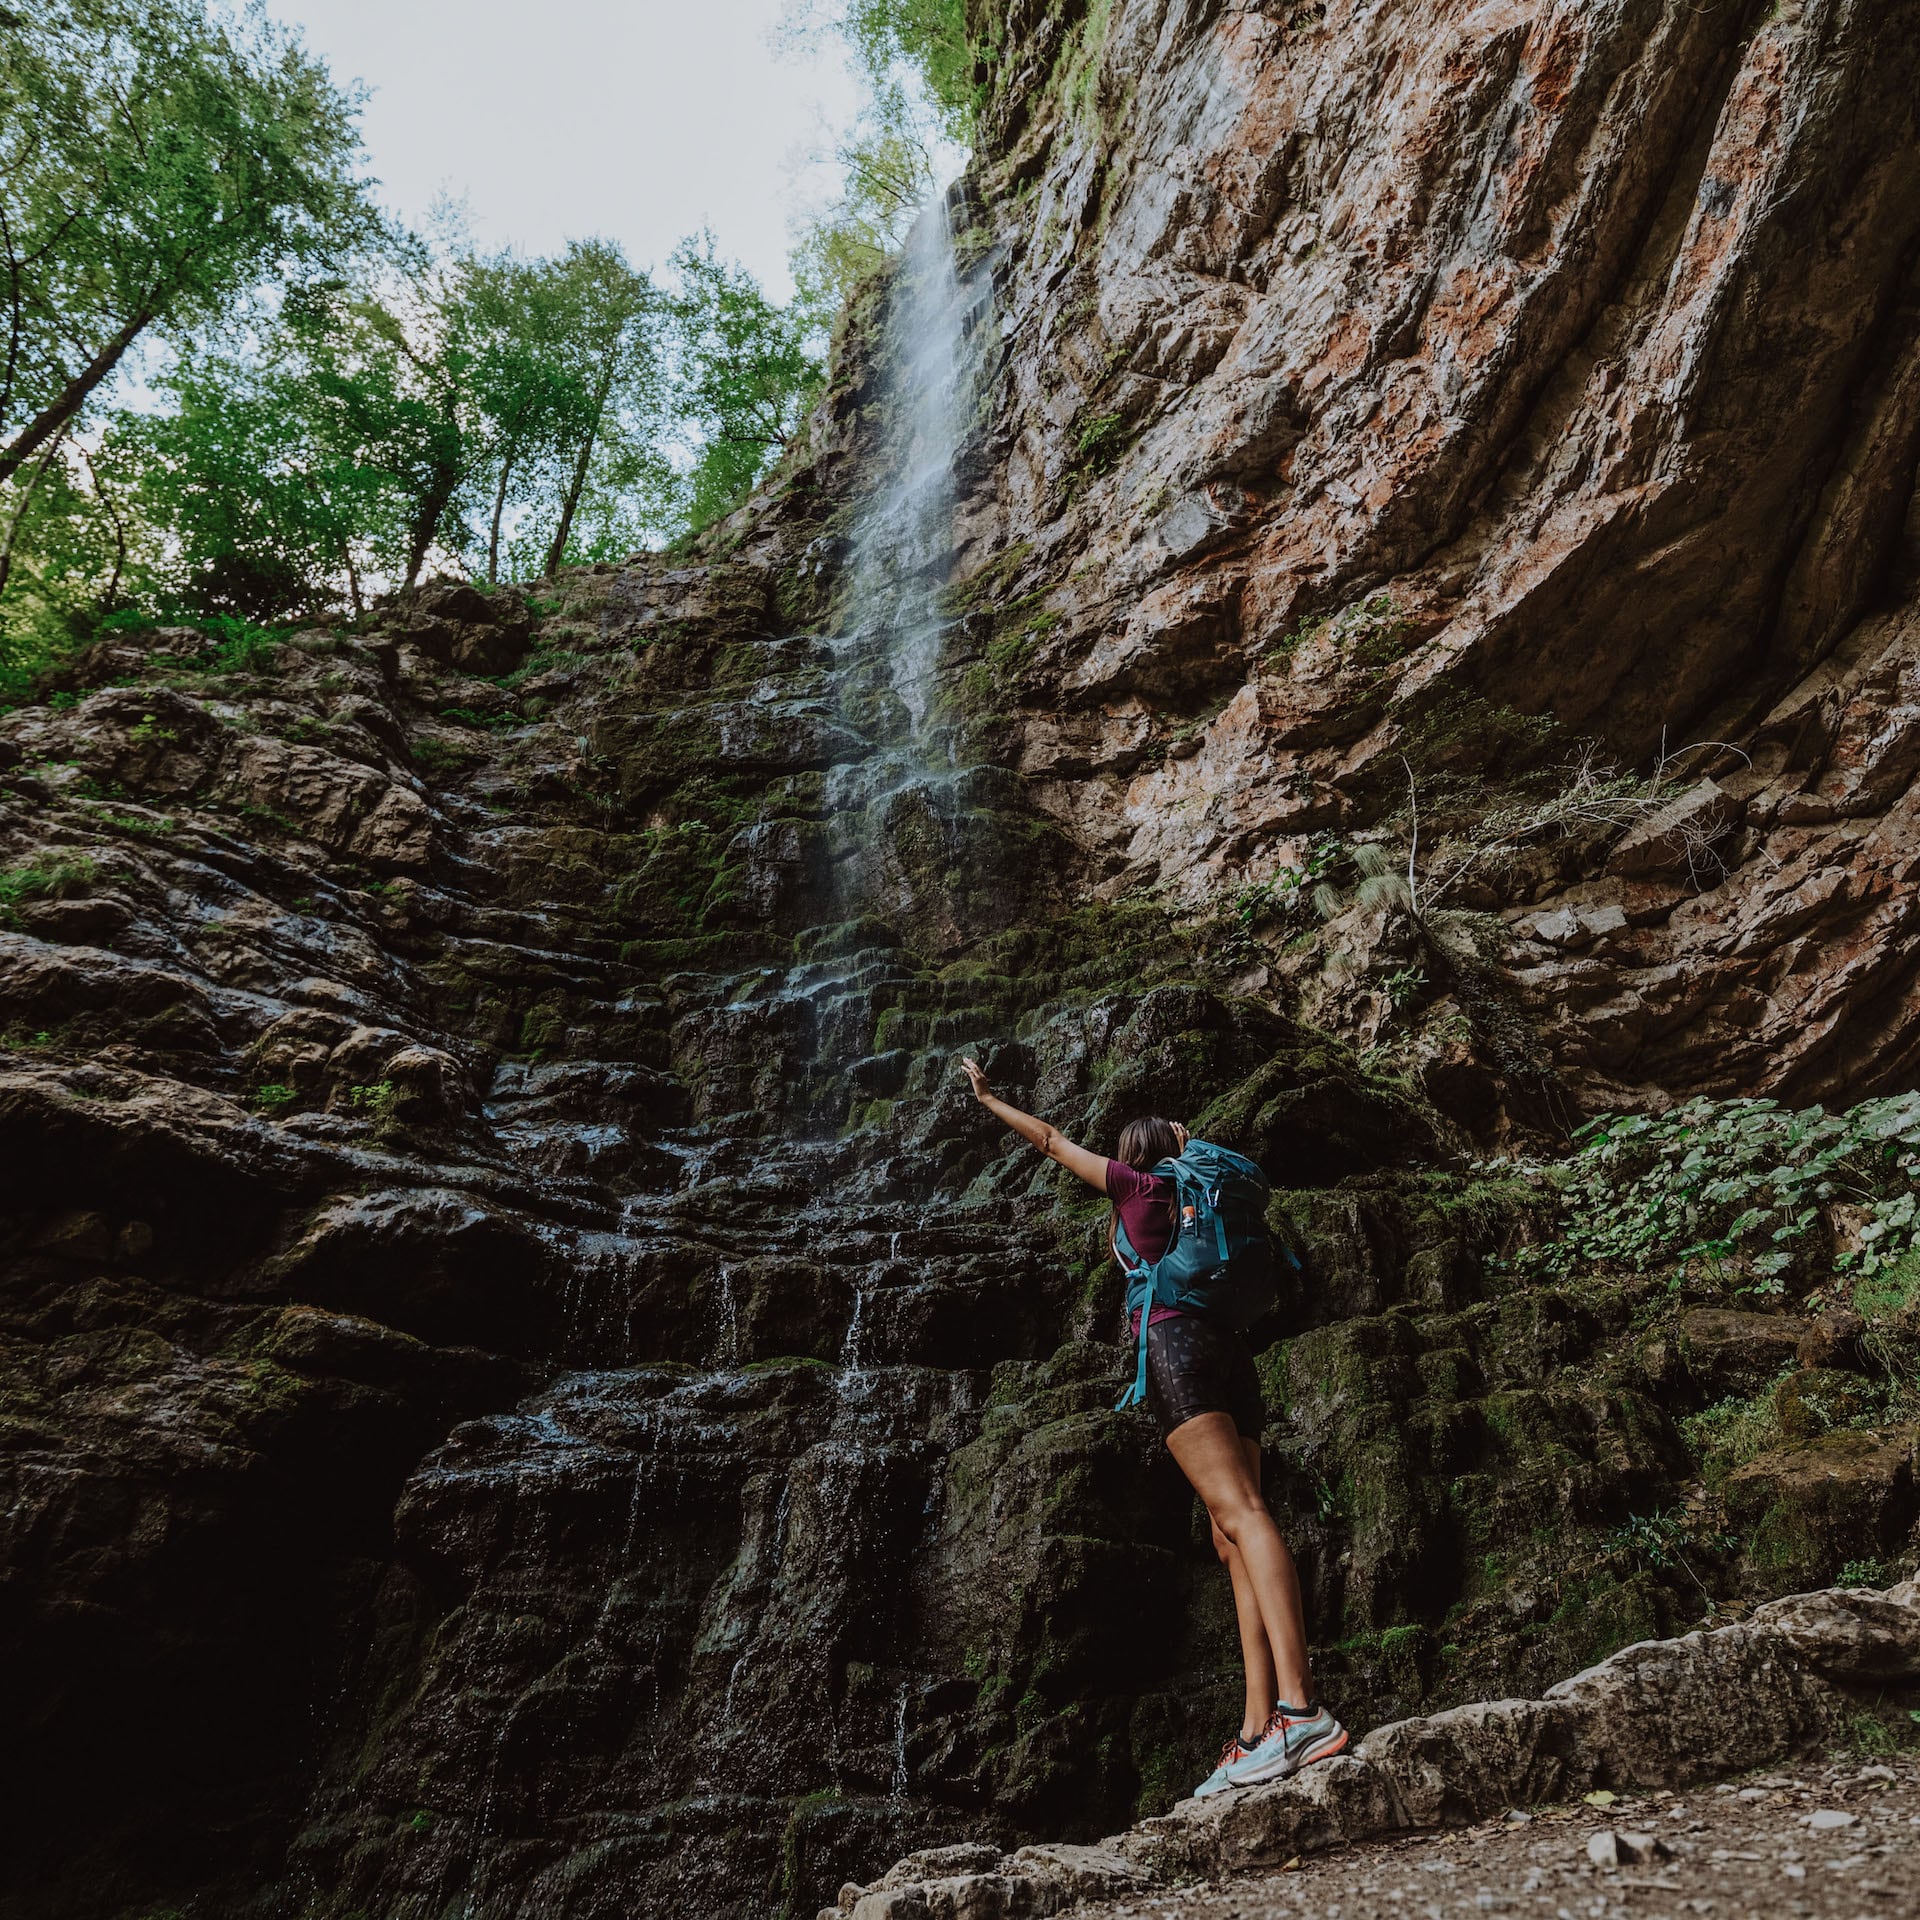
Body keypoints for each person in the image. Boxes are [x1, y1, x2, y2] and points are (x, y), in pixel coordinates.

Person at [959, 1056, 1347, 1798]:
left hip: (1175, 1348)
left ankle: (1302, 1709)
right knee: (1228, 1534)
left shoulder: (1138, 1187)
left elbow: (1048, 1140)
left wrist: (989, 1100)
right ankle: (1255, 1729)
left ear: (1130, 1156)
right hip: (1232, 1357)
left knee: (1243, 1516)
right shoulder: (1197, 1191)